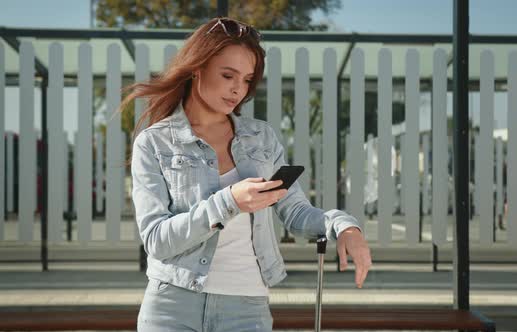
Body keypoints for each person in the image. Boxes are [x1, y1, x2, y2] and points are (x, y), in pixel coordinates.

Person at [123, 16, 372, 332]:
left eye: (246, 79)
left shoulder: (262, 138)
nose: (237, 89)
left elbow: (295, 212)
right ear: (197, 68)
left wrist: (344, 225)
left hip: (247, 309)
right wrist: (229, 202)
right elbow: (157, 240)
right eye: (228, 75)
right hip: (173, 306)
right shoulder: (154, 142)